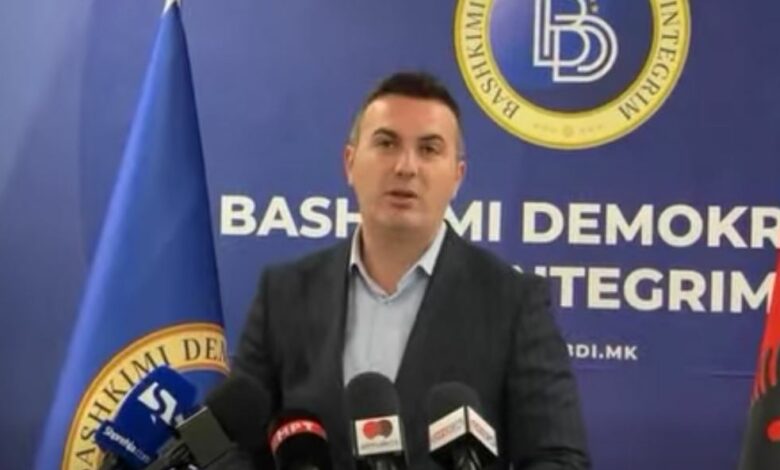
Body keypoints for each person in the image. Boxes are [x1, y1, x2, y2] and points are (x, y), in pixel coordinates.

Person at [230, 71, 590, 469]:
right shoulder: (283, 293)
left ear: (457, 177)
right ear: (350, 163)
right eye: (386, 143)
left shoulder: (513, 302)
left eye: (429, 149)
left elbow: (557, 458)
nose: (406, 167)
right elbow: (235, 448)